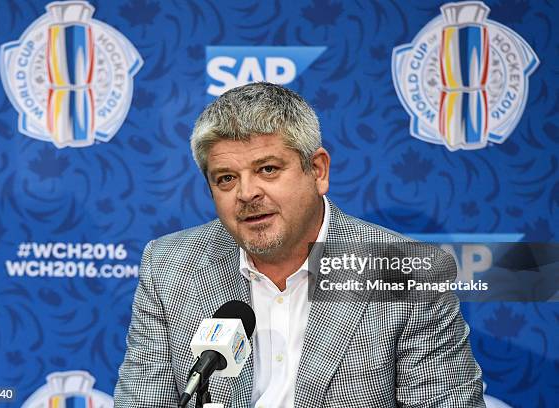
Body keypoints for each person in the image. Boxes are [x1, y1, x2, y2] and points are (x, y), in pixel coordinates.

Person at [114, 82, 484, 407]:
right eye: (226, 178)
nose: (246, 193)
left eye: (268, 169)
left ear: (318, 171)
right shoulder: (168, 266)